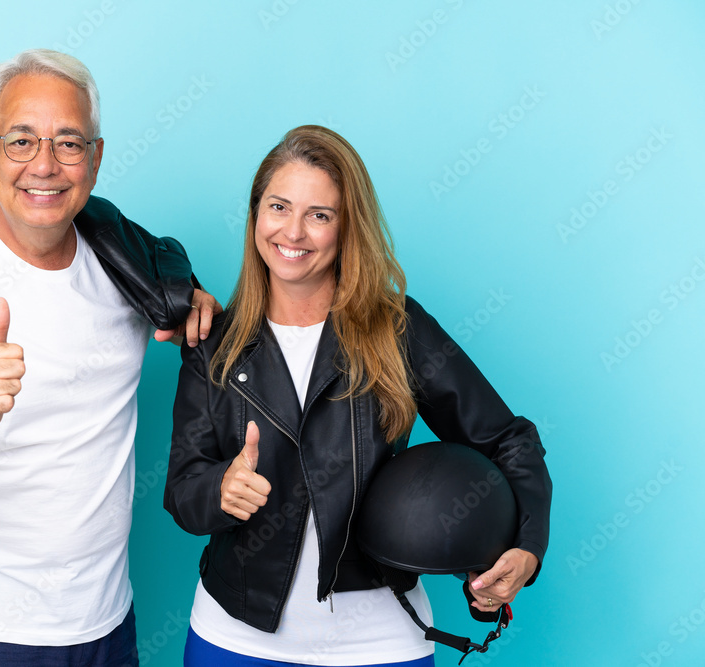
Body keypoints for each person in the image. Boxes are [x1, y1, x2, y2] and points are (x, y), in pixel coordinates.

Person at [0, 49, 219, 667]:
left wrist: (194, 306)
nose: (46, 166)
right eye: (21, 141)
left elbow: (180, 299)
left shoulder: (122, 262)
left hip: (103, 624)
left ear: (96, 158)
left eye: (69, 143)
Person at [164, 125, 552, 666]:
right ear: (256, 214)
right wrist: (219, 491)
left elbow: (510, 440)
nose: (293, 232)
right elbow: (182, 490)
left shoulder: (399, 330)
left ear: (348, 228)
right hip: (234, 638)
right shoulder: (213, 347)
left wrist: (526, 549)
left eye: (320, 215)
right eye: (278, 206)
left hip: (379, 643)